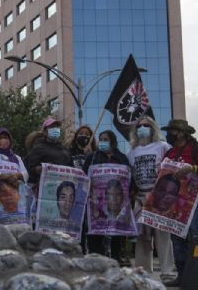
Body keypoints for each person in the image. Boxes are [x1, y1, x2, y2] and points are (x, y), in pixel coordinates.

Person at [161, 119, 198, 286]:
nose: (168, 134)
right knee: (177, 238)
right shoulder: (170, 153)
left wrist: (192, 169)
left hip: (195, 202)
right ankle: (182, 274)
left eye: (171, 131)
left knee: (196, 235)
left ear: (181, 133)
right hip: (174, 202)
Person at [127, 116, 174, 280]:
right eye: (139, 126)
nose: (142, 128)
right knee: (142, 235)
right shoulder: (132, 152)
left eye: (146, 125)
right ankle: (143, 270)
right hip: (140, 198)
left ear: (153, 128)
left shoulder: (163, 146)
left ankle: (167, 271)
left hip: (159, 197)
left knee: (163, 235)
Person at [83, 130, 133, 261]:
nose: (103, 142)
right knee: (95, 234)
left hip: (117, 203)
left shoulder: (122, 158)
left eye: (106, 139)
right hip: (96, 203)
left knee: (116, 232)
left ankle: (116, 258)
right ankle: (96, 259)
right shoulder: (92, 157)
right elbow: (84, 177)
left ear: (113, 141)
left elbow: (128, 179)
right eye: (101, 139)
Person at [0, 127, 28, 219]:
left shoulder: (17, 158)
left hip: (15, 194)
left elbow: (25, 173)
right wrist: (6, 177)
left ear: (10, 140)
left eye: (5, 137)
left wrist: (16, 176)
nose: (3, 140)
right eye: (0, 138)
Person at [24, 117, 73, 192]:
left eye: (57, 127)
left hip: (62, 188)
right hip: (45, 189)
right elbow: (29, 168)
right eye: (52, 127)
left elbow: (72, 169)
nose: (55, 129)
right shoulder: (38, 148)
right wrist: (40, 169)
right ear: (45, 131)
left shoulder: (65, 150)